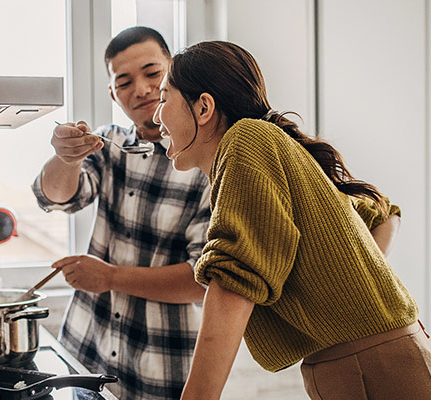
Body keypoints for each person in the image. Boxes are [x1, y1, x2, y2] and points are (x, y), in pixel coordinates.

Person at [152, 40, 431, 400]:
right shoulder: (267, 147)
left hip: (371, 368)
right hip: (368, 363)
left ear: (203, 107)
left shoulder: (247, 141)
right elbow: (381, 214)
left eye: (163, 98)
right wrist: (345, 284)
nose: (156, 116)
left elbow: (234, 281)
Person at [31, 27, 212, 399]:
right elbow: (56, 198)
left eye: (152, 73)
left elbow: (202, 280)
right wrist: (66, 157)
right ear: (113, 94)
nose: (142, 89)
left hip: (163, 365)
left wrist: (111, 277)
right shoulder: (108, 144)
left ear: (173, 73)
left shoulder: (203, 162)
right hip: (86, 352)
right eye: (125, 82)